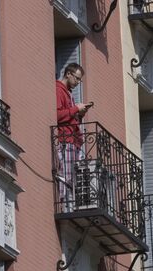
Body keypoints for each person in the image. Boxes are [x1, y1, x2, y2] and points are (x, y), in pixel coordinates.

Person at [55, 63, 92, 212]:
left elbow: (69, 118)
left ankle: (71, 204)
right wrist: (76, 109)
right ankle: (67, 206)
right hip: (66, 140)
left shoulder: (68, 93)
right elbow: (57, 115)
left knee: (73, 176)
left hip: (73, 140)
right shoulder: (58, 90)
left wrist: (79, 115)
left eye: (79, 80)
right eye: (76, 78)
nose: (77, 82)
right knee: (68, 176)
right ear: (68, 74)